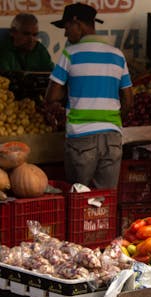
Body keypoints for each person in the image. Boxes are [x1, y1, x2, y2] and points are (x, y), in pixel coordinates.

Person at [45, 3, 133, 189]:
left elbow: (51, 96)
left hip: (81, 138)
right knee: (105, 202)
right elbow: (128, 100)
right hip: (112, 138)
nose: (66, 34)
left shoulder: (70, 54)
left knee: (79, 200)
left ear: (77, 23)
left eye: (67, 27)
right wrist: (110, 121)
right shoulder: (117, 55)